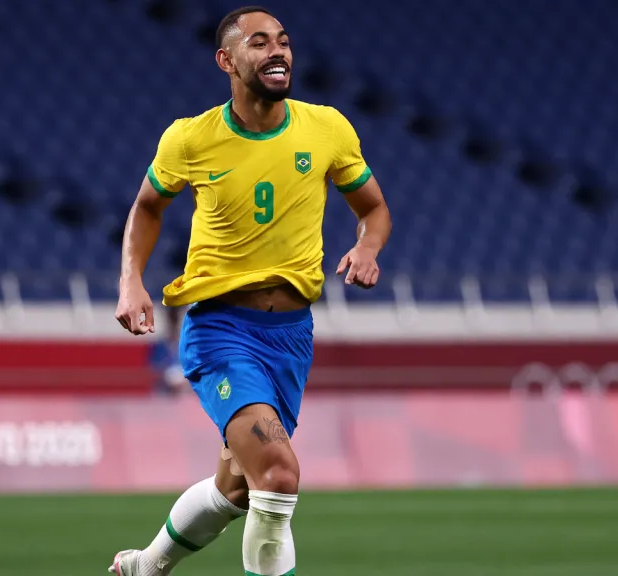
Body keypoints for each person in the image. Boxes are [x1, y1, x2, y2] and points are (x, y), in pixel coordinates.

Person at [111, 6, 392, 575]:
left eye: (283, 41)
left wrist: (367, 247)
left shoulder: (327, 128)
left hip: (291, 336)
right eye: (259, 42)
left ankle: (145, 566)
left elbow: (374, 209)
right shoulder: (190, 138)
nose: (277, 51)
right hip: (221, 331)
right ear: (227, 60)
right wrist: (131, 281)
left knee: (237, 490)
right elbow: (147, 207)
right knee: (279, 476)